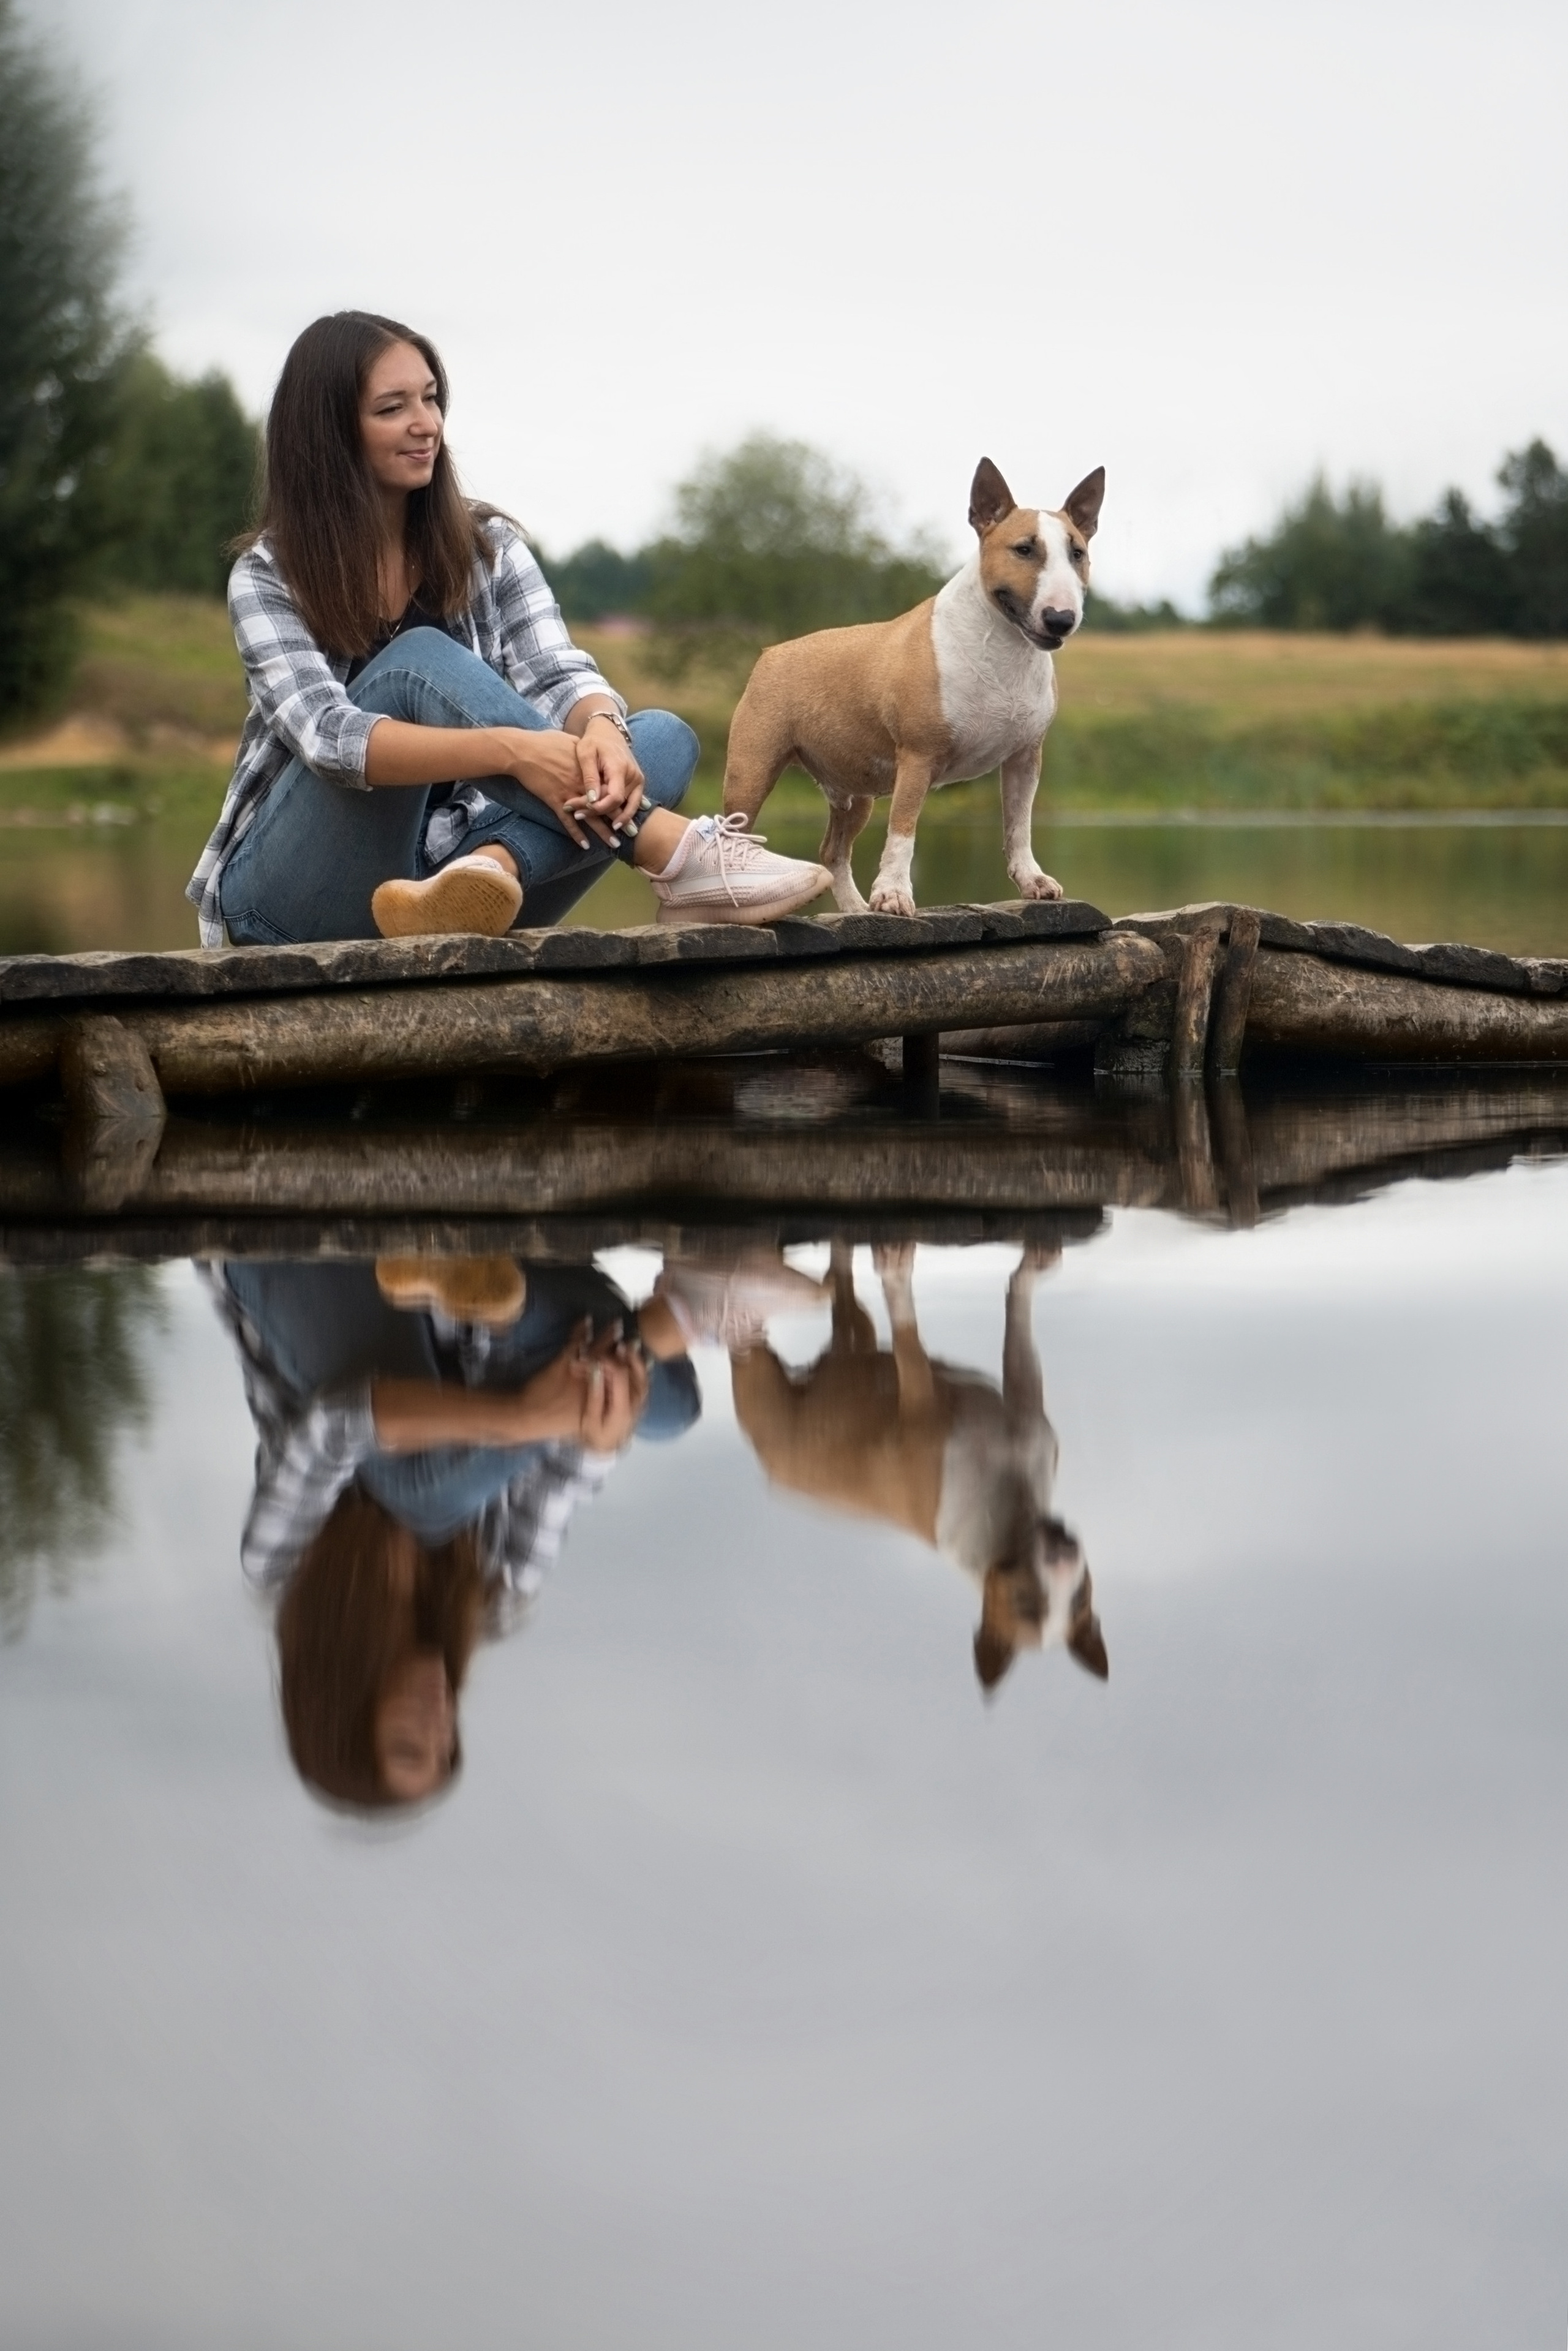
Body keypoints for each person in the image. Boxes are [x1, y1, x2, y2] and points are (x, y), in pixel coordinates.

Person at [187, 311, 831, 949]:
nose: (427, 424)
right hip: (288, 904)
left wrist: (601, 726)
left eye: (431, 398)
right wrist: (514, 751)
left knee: (658, 741)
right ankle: (670, 849)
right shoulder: (271, 572)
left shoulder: (485, 546)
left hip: (434, 870)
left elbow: (557, 672)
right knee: (416, 663)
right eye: (392, 408)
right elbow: (329, 738)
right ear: (330, 433)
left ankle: (488, 873)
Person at [205, 1252, 703, 1811]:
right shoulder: (493, 1600)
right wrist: (600, 1436)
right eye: (448, 1745)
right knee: (667, 1411)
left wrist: (525, 1417)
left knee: (424, 1498)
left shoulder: (282, 1572)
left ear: (341, 1713)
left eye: (411, 1746)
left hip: (308, 1270)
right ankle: (506, 1305)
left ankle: (684, 1313)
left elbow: (338, 1424)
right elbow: (565, 1479)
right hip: (482, 1308)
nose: (440, 1725)